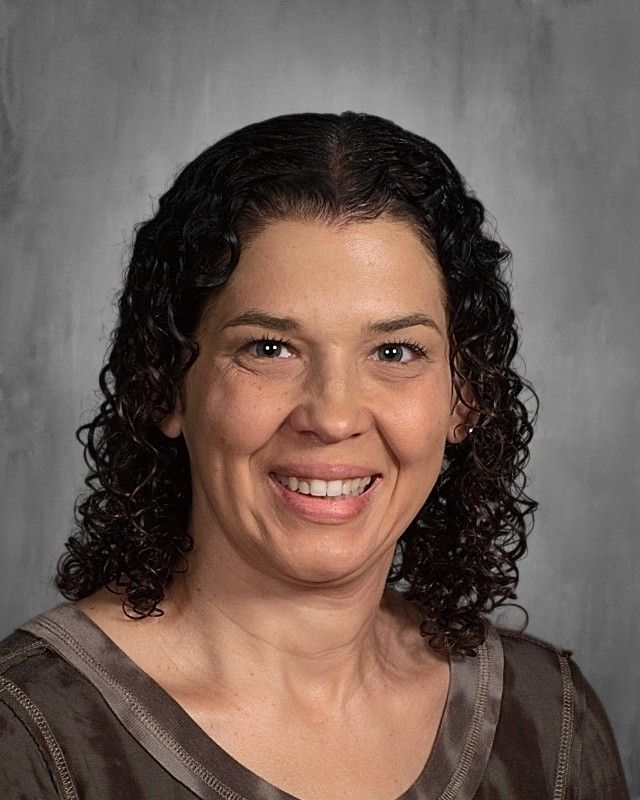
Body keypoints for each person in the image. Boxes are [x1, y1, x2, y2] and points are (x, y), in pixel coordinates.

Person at [0, 111, 629, 799]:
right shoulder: (33, 735)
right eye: (269, 349)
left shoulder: (549, 723)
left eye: (395, 352)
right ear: (166, 385)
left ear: (464, 396)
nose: (332, 416)